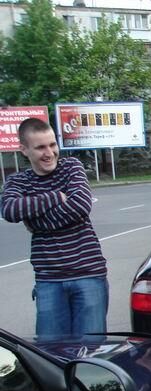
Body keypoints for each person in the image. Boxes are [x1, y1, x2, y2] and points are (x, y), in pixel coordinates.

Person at [1, 118, 108, 337]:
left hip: (89, 275)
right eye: (40, 147)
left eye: (52, 144)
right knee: (50, 351)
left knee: (91, 350)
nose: (49, 153)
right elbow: (10, 210)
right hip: (48, 280)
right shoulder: (17, 181)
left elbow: (80, 205)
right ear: (24, 150)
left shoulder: (71, 167)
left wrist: (34, 221)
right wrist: (56, 196)